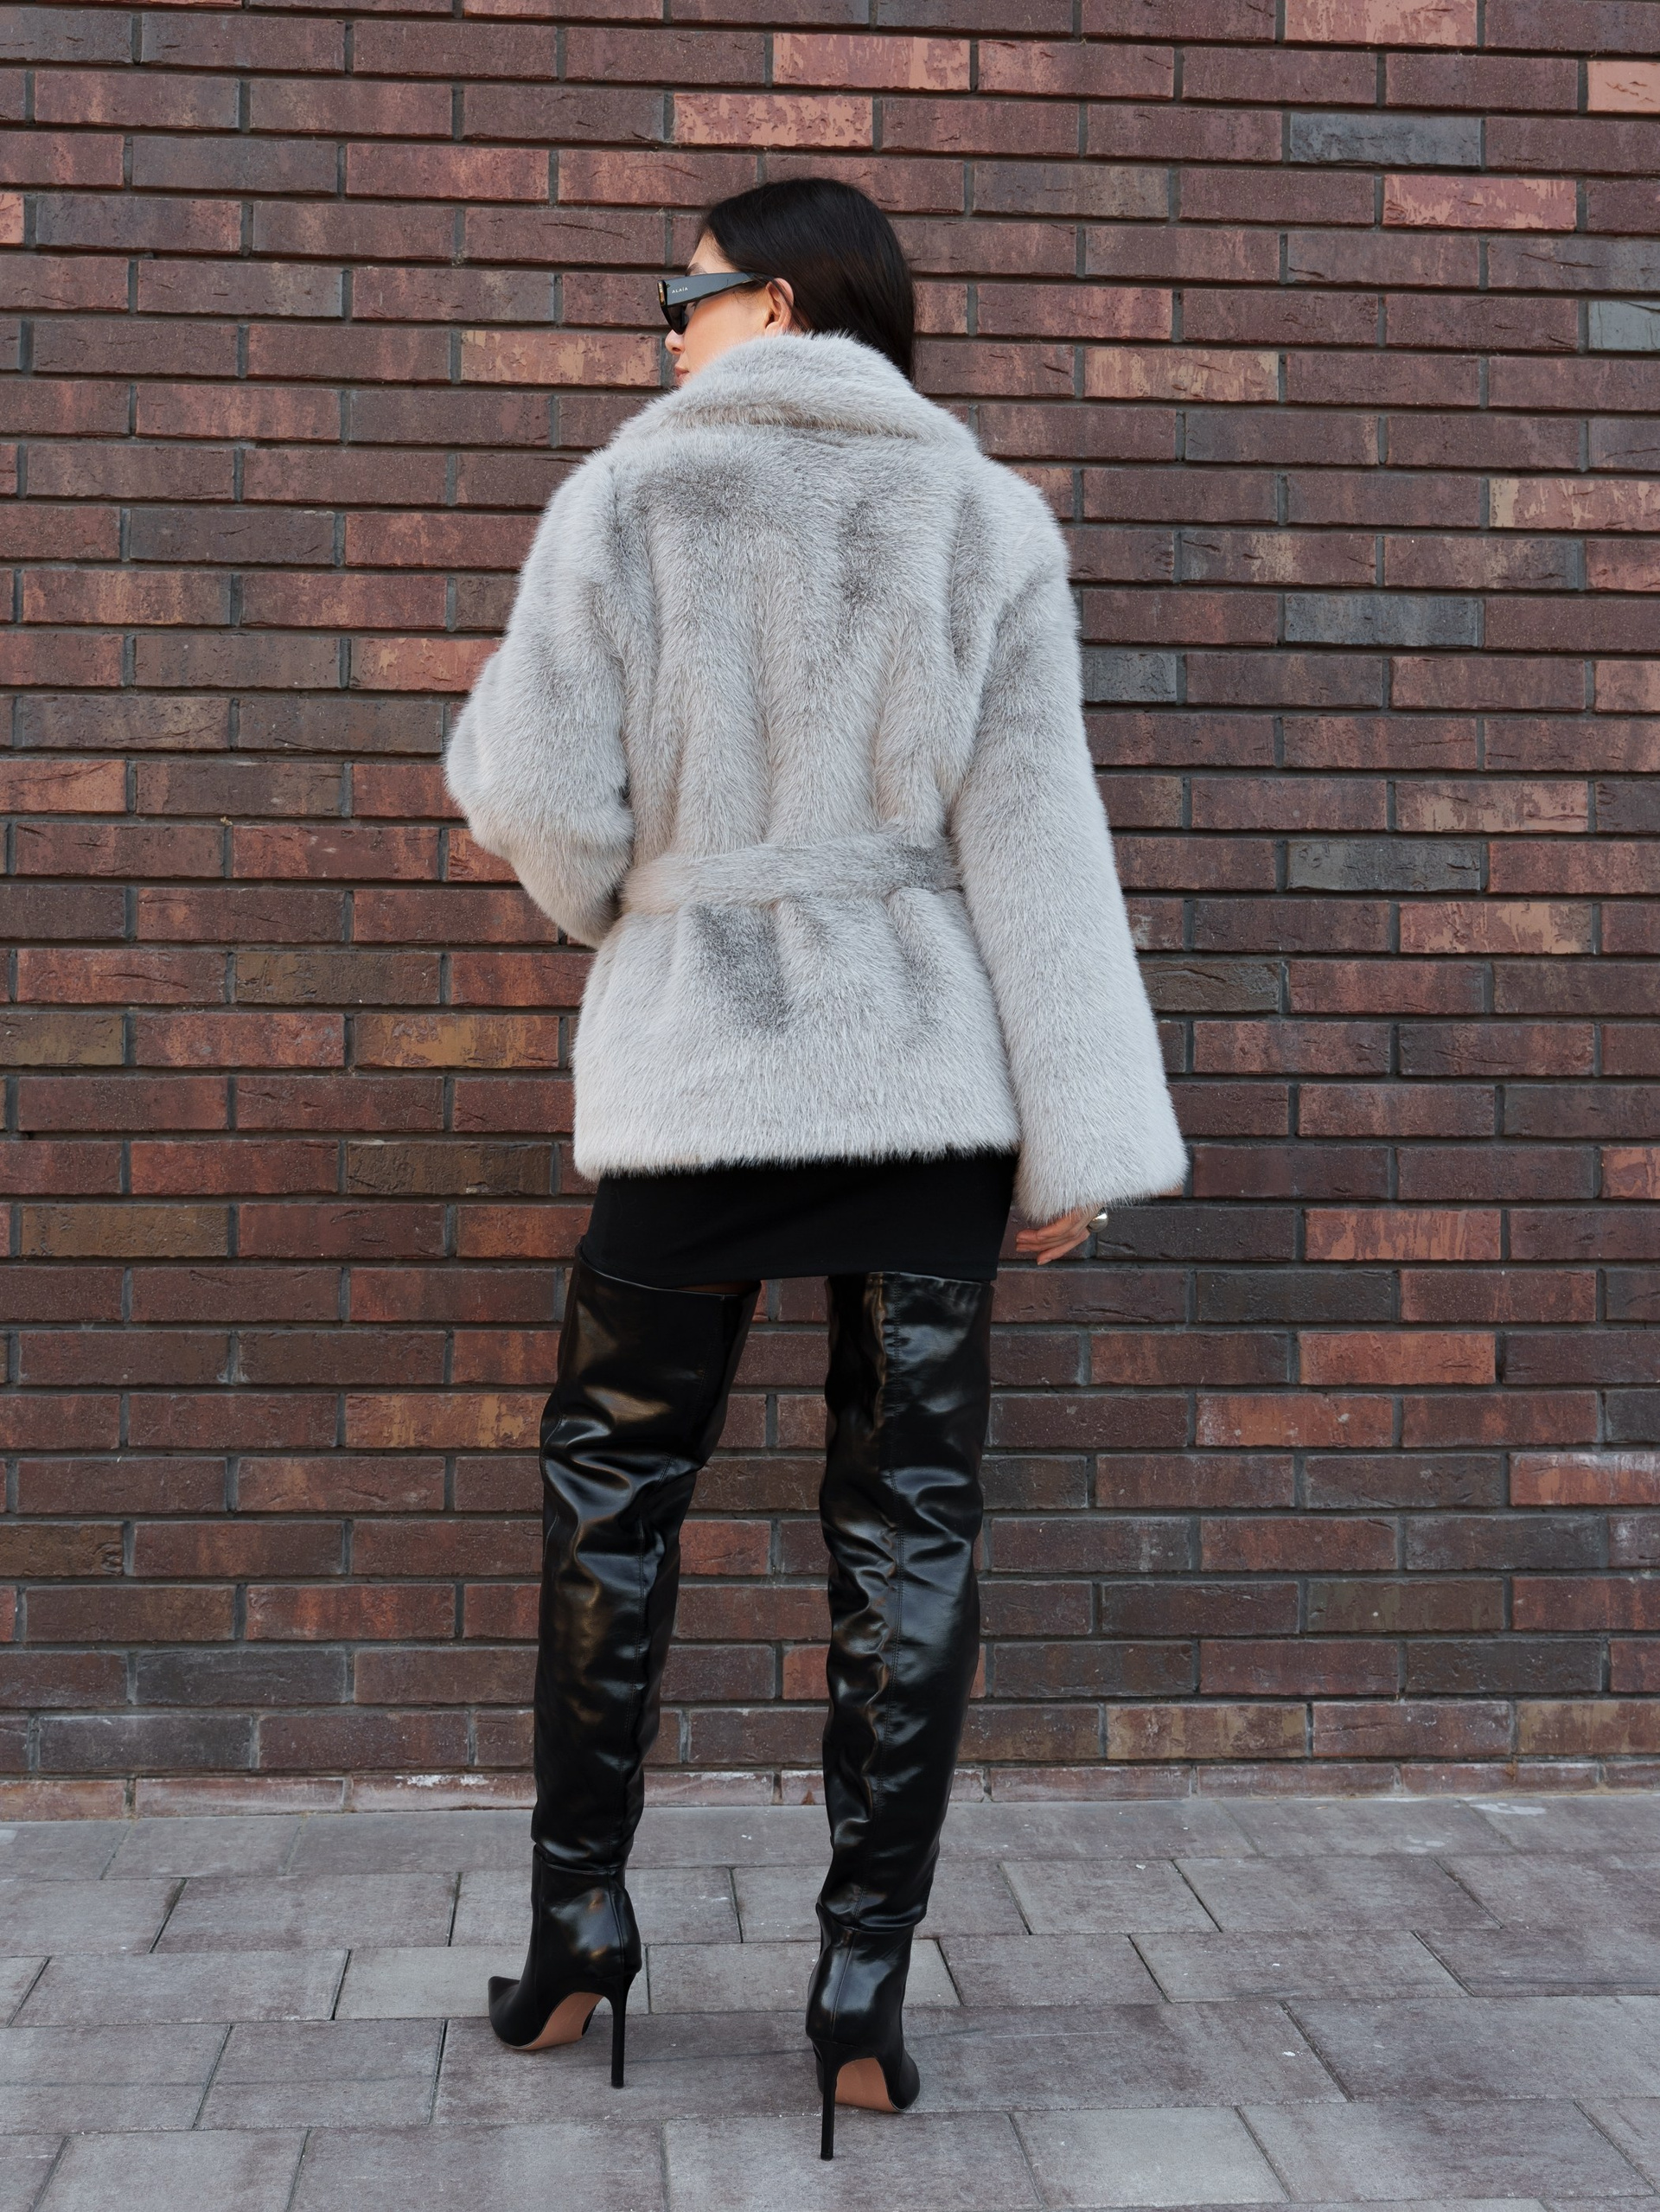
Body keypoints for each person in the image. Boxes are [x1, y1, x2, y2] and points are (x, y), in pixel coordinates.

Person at [443, 175, 1187, 2159]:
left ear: (769, 303)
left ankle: (578, 1931)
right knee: (911, 1525)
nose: (664, 328)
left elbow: (533, 791)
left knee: (611, 1498)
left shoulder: (626, 498)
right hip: (924, 1088)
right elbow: (1039, 845)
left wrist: (632, 906)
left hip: (695, 1077)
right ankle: (864, 1984)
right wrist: (1076, 1134)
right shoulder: (980, 517)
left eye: (678, 293)